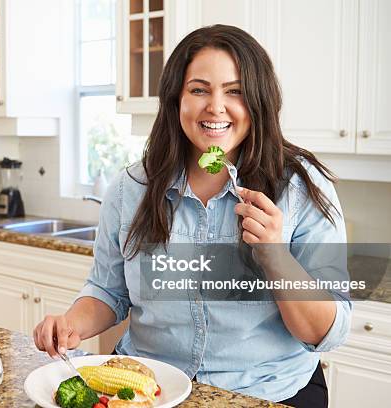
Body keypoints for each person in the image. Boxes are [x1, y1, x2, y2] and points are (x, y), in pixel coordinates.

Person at [33, 24, 350, 407]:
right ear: (175, 100)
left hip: (269, 391)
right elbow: (107, 291)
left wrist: (276, 256)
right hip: (150, 387)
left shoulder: (300, 188)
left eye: (235, 91)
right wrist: (72, 324)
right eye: (199, 89)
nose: (215, 106)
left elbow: (325, 334)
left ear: (258, 101)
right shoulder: (130, 188)